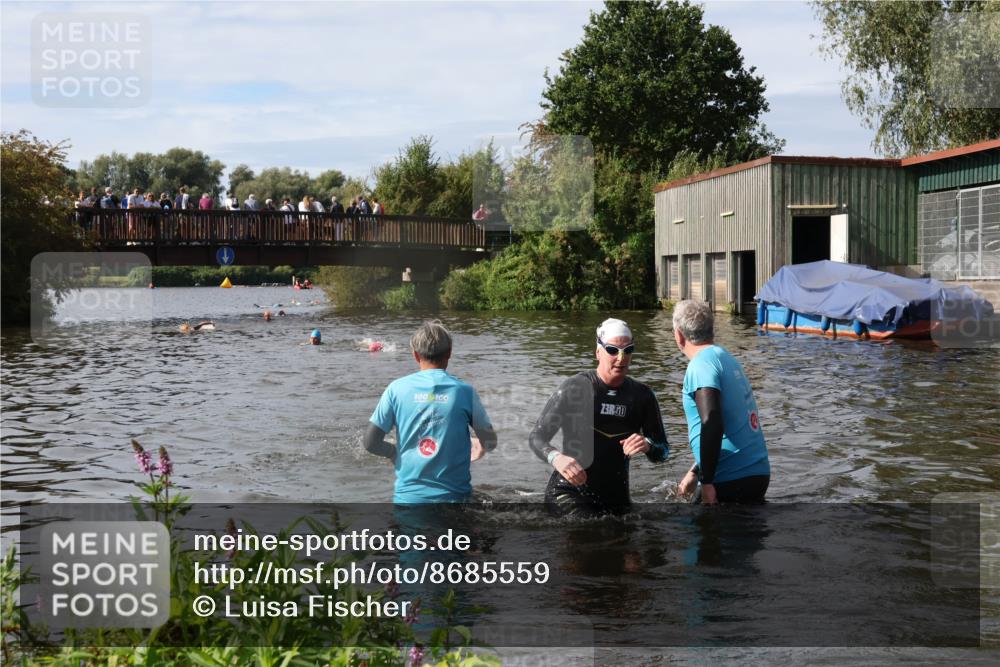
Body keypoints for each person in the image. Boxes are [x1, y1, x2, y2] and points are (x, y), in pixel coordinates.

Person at [529, 318, 669, 517]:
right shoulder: (574, 388)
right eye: (612, 350)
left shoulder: (642, 396)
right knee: (592, 535)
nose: (621, 358)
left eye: (628, 350)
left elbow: (662, 451)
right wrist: (556, 457)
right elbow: (536, 437)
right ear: (598, 352)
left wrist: (647, 445)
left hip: (617, 498)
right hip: (568, 493)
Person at [365, 320, 497, 503]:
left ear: (415, 355)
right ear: (449, 353)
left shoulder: (396, 389)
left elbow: (370, 443)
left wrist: (393, 452)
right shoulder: (464, 392)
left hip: (408, 500)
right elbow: (490, 442)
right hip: (454, 500)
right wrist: (479, 446)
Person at [672, 300, 770, 505]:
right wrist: (695, 471)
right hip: (757, 473)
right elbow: (731, 421)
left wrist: (707, 482)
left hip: (730, 479)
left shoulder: (700, 366)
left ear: (679, 335)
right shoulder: (726, 358)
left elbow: (712, 421)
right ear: (711, 330)